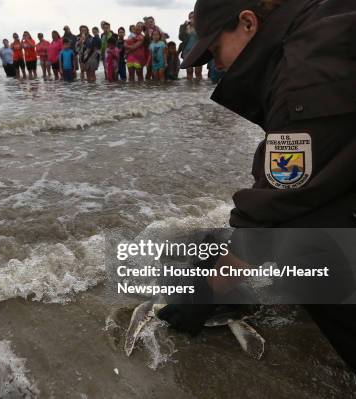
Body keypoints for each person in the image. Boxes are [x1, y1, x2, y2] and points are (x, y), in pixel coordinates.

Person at [160, 0, 356, 372]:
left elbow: (281, 199)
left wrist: (208, 290)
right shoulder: (320, 30)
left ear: (248, 23)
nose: (216, 65)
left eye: (215, 50)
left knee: (309, 247)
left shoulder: (307, 73)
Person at [179, 11, 203, 80]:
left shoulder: (201, 26)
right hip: (187, 50)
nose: (192, 18)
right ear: (189, 18)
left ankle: (199, 89)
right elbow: (180, 37)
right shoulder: (184, 26)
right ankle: (189, 89)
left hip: (198, 50)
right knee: (189, 71)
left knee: (198, 71)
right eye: (191, 17)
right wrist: (184, 27)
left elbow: (204, 36)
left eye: (194, 17)